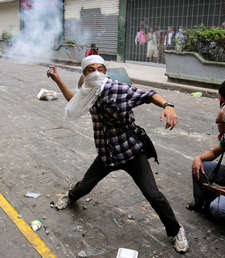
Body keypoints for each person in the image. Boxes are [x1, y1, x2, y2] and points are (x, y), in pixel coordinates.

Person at [47, 55, 189, 253]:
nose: (96, 73)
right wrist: (58, 80)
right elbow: (75, 100)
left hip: (131, 152)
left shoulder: (118, 89)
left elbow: (149, 95)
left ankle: (176, 230)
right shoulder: (88, 92)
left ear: (105, 71)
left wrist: (168, 106)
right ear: (85, 73)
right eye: (91, 69)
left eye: (100, 69)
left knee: (153, 195)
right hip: (107, 154)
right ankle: (70, 197)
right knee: (85, 185)